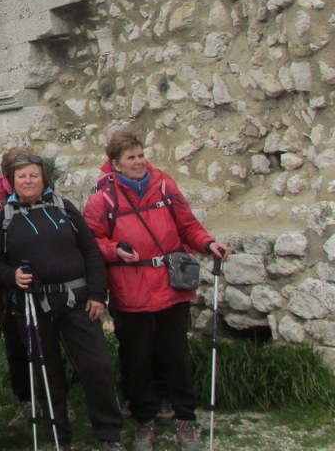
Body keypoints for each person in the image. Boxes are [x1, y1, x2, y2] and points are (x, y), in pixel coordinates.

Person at [84, 128, 231, 451]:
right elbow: (91, 241)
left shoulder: (164, 186)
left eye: (140, 155)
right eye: (131, 158)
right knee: (136, 357)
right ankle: (144, 420)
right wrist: (114, 251)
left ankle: (184, 418)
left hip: (169, 285)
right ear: (115, 164)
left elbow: (187, 225)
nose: (139, 162)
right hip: (129, 289)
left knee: (176, 352)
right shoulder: (102, 199)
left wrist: (208, 243)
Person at [0, 152, 125, 451]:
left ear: (44, 179)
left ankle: (108, 434)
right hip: (33, 306)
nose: (28, 180)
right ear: (12, 181)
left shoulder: (64, 207)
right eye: (22, 176)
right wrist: (11, 275)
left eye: (33, 175)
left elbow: (90, 251)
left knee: (97, 366)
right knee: (46, 373)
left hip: (77, 301)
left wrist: (96, 295)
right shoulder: (5, 218)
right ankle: (58, 437)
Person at [0, 146, 39, 432]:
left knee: (47, 344)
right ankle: (26, 401)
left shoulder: (45, 195)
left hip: (41, 282)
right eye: (19, 171)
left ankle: (54, 398)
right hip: (8, 284)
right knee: (17, 345)